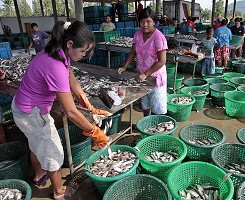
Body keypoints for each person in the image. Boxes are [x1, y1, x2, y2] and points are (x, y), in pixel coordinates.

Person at [12, 21, 111, 200]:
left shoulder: (57, 53)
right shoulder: (55, 65)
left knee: (36, 143)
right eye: (83, 51)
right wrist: (94, 132)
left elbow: (71, 77)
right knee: (53, 152)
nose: (84, 55)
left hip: (22, 109)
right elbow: (70, 112)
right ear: (70, 44)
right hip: (32, 114)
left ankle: (39, 175)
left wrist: (86, 102)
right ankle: (58, 191)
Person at [118, 8, 168, 116]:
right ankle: (146, 124)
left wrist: (146, 74)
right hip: (141, 75)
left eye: (148, 21)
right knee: (145, 103)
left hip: (155, 77)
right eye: (142, 22)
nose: (145, 25)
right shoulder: (138, 34)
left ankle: (156, 130)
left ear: (154, 22)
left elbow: (162, 61)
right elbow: (132, 52)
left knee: (157, 107)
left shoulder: (159, 38)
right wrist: (125, 67)